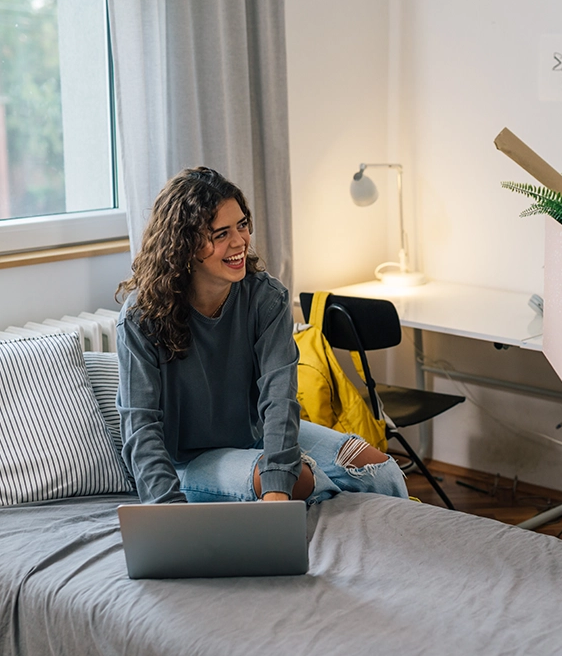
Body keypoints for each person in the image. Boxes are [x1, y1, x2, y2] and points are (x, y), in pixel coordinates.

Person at [115, 166, 408, 507]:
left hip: (254, 436)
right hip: (187, 462)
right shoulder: (141, 317)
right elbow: (142, 426)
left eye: (242, 225)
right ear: (185, 244)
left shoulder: (266, 298)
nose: (240, 241)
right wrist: (170, 516)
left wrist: (276, 489)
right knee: (301, 478)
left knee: (379, 470)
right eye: (220, 234)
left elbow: (280, 400)